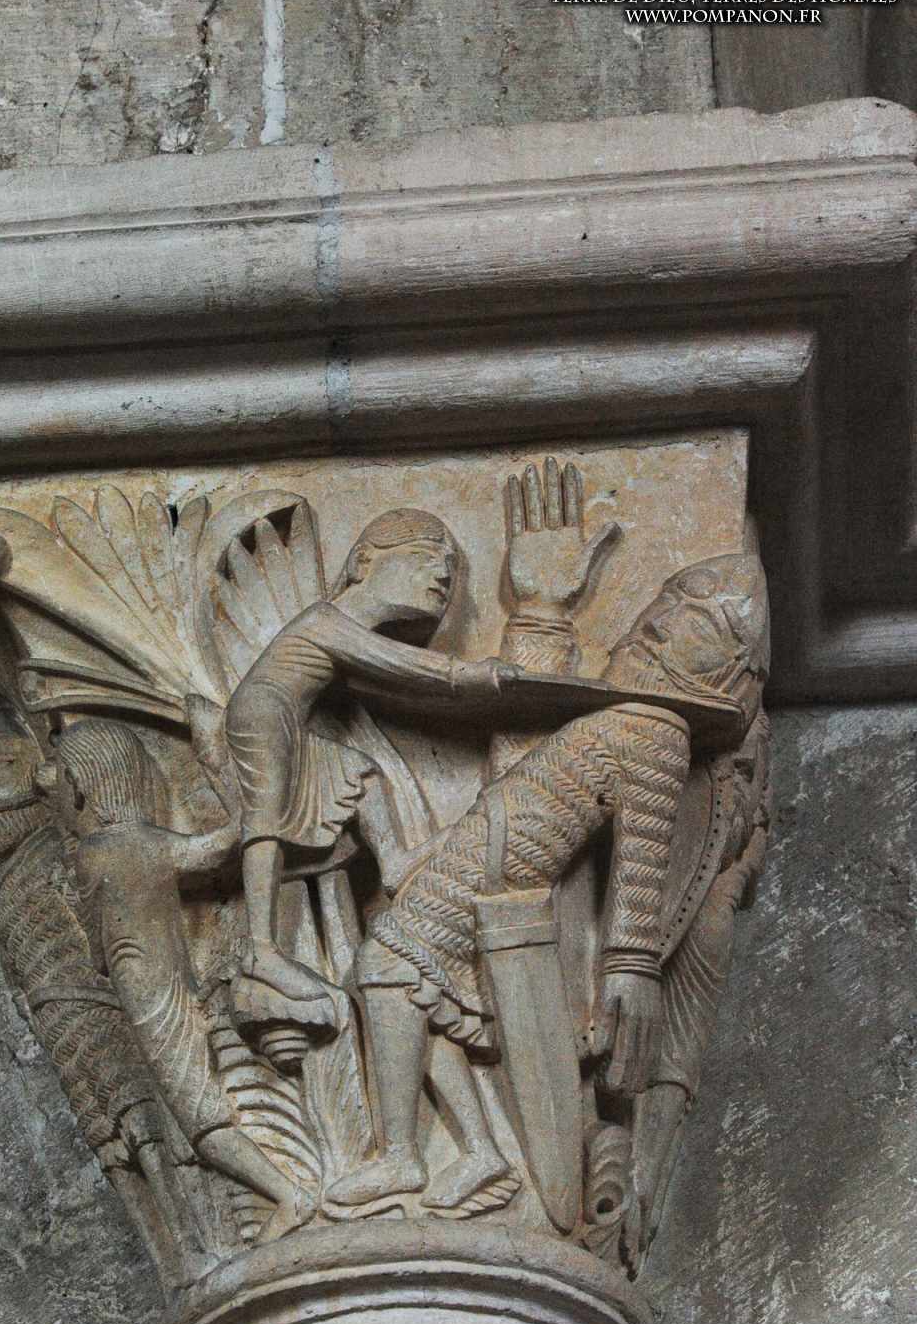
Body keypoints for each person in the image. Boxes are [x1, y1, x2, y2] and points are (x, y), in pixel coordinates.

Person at [328, 548, 768, 1213]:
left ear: (727, 670)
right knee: (403, 979)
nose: (659, 620)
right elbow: (524, 737)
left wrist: (630, 965)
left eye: (697, 621)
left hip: (506, 861)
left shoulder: (660, 736)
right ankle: (470, 1152)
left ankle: (406, 1156)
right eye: (668, 601)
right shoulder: (632, 717)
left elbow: (643, 856)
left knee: (385, 968)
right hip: (481, 842)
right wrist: (542, 608)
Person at [224, 508, 511, 1010]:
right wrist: (468, 674)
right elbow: (394, 663)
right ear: (361, 563)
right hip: (263, 711)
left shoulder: (344, 630)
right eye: (424, 557)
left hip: (289, 715)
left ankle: (394, 862)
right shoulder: (325, 621)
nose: (443, 573)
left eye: (449, 563)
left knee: (359, 772)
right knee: (266, 815)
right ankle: (261, 951)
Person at [51, 718, 316, 1242]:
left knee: (200, 1121)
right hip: (175, 987)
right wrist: (250, 796)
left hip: (147, 998)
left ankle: (290, 1194)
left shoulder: (96, 852)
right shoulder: (149, 843)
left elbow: (98, 951)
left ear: (80, 788)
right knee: (199, 1109)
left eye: (60, 779)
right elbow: (216, 847)